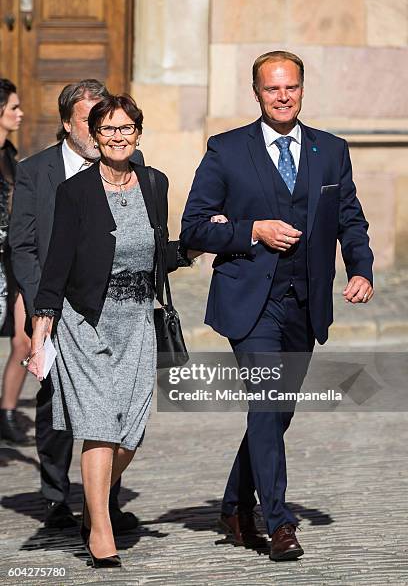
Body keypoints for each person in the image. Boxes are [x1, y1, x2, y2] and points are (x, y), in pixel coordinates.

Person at [181, 50, 374, 561]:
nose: (282, 96)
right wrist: (253, 231)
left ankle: (233, 507)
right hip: (250, 302)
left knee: (276, 413)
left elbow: (350, 218)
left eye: (290, 88)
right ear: (257, 93)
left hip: (304, 303)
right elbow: (194, 226)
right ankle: (280, 523)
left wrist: (360, 268)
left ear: (303, 89)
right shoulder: (226, 150)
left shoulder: (331, 150)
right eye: (272, 89)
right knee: (267, 404)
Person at [28, 93, 194, 568]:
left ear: (137, 134)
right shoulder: (75, 191)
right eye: (108, 129)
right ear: (95, 137)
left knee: (130, 433)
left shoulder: (155, 183)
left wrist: (201, 246)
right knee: (100, 428)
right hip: (88, 322)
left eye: (126, 129)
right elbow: (57, 260)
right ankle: (99, 527)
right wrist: (43, 325)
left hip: (138, 320)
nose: (118, 137)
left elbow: (159, 253)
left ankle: (93, 503)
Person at [9, 80, 143, 530]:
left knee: (116, 408)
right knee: (53, 404)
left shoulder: (133, 166)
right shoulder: (37, 171)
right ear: (68, 124)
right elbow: (24, 246)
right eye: (91, 121)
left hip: (113, 309)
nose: (101, 130)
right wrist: (36, 304)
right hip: (56, 307)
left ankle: (104, 502)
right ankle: (54, 496)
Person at [0, 78, 31, 444]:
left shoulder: (10, 154)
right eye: (13, 108)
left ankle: (7, 412)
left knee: (24, 338)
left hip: (13, 257)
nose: (21, 113)